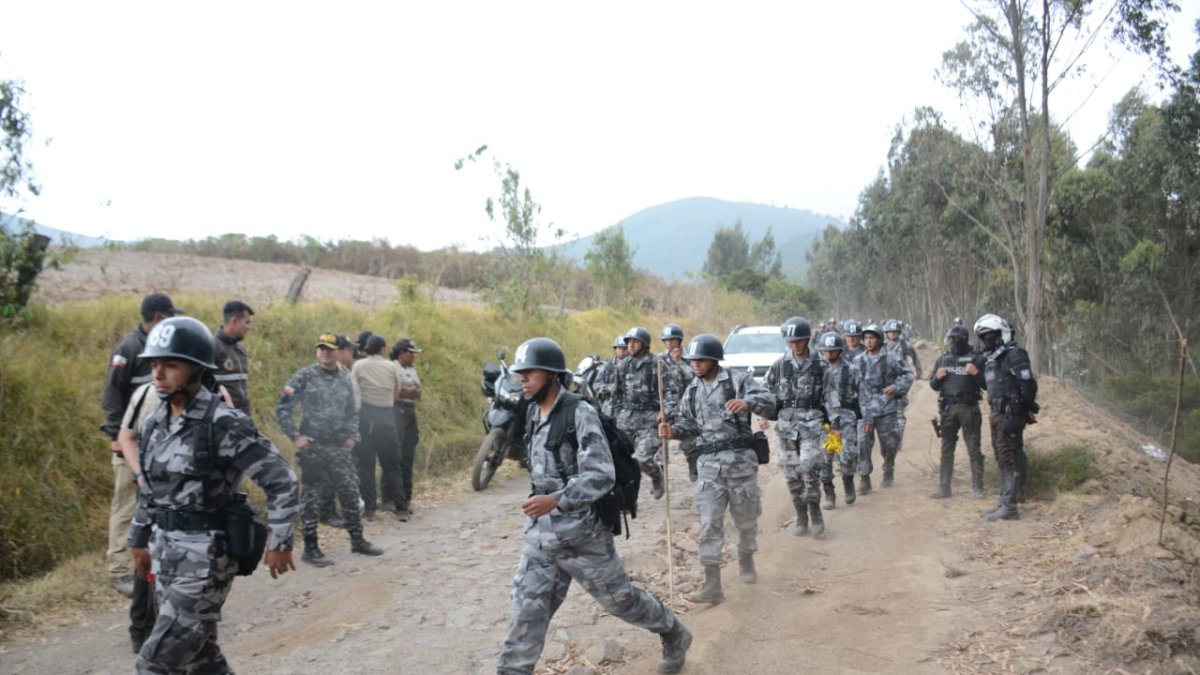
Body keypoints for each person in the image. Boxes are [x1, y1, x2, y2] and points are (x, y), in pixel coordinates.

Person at [498, 337, 692, 675]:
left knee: (621, 601)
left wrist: (556, 499)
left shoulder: (579, 413)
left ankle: (672, 631)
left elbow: (602, 475)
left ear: (553, 376)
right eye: (521, 374)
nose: (523, 380)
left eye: (531, 373)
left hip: (583, 537)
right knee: (525, 618)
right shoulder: (532, 412)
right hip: (541, 540)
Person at [127, 316, 299, 674]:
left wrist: (280, 541)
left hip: (205, 563)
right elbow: (150, 489)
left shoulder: (223, 423)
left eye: (169, 365)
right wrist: (139, 537)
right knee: (200, 662)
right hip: (166, 556)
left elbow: (281, 479)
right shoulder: (155, 424)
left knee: (154, 664)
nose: (158, 374)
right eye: (154, 364)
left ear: (195, 369)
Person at [660, 333, 775, 603]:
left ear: (714, 360)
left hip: (740, 464)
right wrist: (672, 431)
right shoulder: (692, 391)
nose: (695, 364)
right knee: (709, 521)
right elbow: (689, 426)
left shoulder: (737, 381)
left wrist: (748, 403)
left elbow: (770, 402)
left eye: (701, 360)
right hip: (709, 468)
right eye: (692, 360)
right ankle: (713, 583)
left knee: (745, 521)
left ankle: (746, 557)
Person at [101, 293, 180, 641]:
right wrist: (115, 435)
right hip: (128, 441)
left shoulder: (164, 347)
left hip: (158, 450)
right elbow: (112, 392)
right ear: (158, 316)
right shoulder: (130, 347)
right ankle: (119, 568)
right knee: (125, 508)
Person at [277, 333, 383, 565]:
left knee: (350, 493)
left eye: (330, 349)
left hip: (340, 448)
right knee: (312, 498)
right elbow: (283, 408)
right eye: (321, 348)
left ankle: (357, 540)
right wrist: (296, 437)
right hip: (314, 448)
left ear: (338, 352)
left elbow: (352, 411)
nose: (325, 352)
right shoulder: (305, 376)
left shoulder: (345, 378)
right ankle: (311, 548)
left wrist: (352, 437)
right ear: (317, 352)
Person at [763, 317, 836, 537]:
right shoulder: (780, 364)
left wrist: (835, 425)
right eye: (791, 341)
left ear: (807, 339)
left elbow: (832, 396)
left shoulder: (820, 364)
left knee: (809, 466)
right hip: (786, 426)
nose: (795, 345)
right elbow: (766, 390)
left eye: (799, 341)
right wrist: (764, 413)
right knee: (791, 472)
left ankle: (815, 510)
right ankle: (801, 514)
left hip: (812, 424)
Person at [975, 314, 1038, 521]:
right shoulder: (993, 360)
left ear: (1001, 333)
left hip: (1009, 413)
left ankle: (1010, 505)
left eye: (990, 335)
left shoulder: (1014, 354)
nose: (987, 339)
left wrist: (1021, 410)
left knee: (1008, 455)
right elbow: (990, 385)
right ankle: (1006, 500)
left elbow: (1028, 384)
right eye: (983, 336)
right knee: (1004, 455)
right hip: (996, 413)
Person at [611, 326, 672, 500]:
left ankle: (656, 475)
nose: (630, 345)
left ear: (645, 345)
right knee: (621, 461)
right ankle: (627, 498)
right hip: (626, 420)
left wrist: (664, 410)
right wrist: (615, 416)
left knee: (641, 459)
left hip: (650, 421)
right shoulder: (623, 366)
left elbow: (672, 393)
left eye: (635, 342)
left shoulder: (658, 365)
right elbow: (617, 394)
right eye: (628, 342)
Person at [350, 335, 407, 520]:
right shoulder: (391, 366)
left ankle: (370, 509)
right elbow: (397, 392)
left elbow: (353, 391)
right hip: (386, 419)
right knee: (391, 466)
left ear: (367, 349)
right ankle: (401, 509)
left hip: (364, 419)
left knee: (365, 466)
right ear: (382, 349)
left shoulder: (358, 366)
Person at [928, 326, 987, 499]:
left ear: (965, 339)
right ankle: (944, 487)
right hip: (948, 409)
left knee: (974, 449)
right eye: (952, 339)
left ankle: (978, 487)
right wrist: (938, 377)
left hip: (969, 407)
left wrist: (976, 373)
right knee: (946, 449)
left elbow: (987, 385)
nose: (955, 342)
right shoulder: (943, 360)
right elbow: (933, 385)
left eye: (958, 339)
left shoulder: (977, 359)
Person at [853, 323, 914, 490]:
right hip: (865, 408)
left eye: (872, 338)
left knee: (889, 443)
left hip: (886, 406)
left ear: (879, 339)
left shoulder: (892, 357)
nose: (868, 341)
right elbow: (851, 381)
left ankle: (888, 468)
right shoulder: (858, 360)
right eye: (866, 338)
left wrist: (896, 388)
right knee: (863, 442)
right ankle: (864, 478)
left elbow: (908, 375)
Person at [318, 334, 361, 527]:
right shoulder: (314, 375)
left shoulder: (344, 374)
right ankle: (325, 514)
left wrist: (351, 434)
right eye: (350, 350)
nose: (352, 354)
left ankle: (338, 513)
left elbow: (352, 407)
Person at [816, 331, 861, 508]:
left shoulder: (852, 370)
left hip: (845, 416)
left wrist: (866, 418)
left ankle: (848, 483)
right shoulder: (817, 371)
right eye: (826, 351)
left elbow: (863, 394)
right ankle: (829, 493)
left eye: (833, 350)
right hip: (824, 419)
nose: (829, 354)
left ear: (840, 351)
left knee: (847, 455)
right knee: (825, 457)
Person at [658, 323, 699, 482]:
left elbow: (693, 378)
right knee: (658, 443)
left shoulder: (690, 358)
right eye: (666, 340)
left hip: (685, 407)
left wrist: (679, 363)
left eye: (672, 340)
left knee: (689, 443)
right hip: (666, 406)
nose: (669, 343)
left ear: (679, 341)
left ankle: (693, 467)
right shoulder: (660, 360)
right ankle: (660, 473)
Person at [391, 338, 423, 518]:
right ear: (402, 353)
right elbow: (396, 392)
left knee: (408, 456)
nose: (413, 357)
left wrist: (408, 392)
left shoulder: (411, 369)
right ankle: (396, 500)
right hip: (397, 412)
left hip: (410, 411)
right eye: (411, 353)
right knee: (397, 457)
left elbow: (418, 392)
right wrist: (408, 392)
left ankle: (407, 497)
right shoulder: (393, 367)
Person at [211, 300, 254, 415]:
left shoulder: (240, 350)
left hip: (241, 414)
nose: (250, 327)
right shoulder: (212, 347)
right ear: (234, 321)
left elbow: (242, 389)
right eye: (247, 322)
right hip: (221, 416)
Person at [594, 334, 627, 418]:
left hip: (627, 410)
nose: (622, 351)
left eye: (624, 348)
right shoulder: (607, 366)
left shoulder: (634, 366)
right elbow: (596, 385)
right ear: (615, 349)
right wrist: (609, 388)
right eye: (619, 348)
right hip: (608, 409)